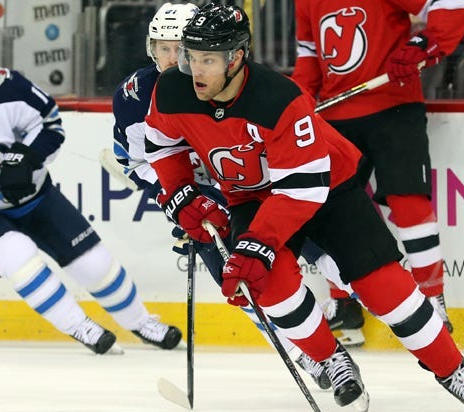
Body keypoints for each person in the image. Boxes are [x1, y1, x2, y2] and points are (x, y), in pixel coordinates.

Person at [145, 2, 464, 412]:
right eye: (190, 57)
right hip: (254, 198)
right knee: (269, 285)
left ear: (237, 57)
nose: (196, 70)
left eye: (207, 59)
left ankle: (454, 370)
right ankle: (331, 358)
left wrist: (257, 244)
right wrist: (181, 192)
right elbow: (162, 143)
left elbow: (301, 191)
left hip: (327, 189)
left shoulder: (279, 98)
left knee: (385, 287)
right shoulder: (172, 89)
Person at [0, 25, 181, 355]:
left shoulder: (5, 86)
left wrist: (27, 157)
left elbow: (50, 125)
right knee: (16, 255)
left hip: (35, 198)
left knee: (95, 264)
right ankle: (80, 326)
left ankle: (141, 322)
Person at [109, 1, 335, 389]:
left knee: (325, 245)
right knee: (238, 279)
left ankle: (379, 306)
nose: (172, 58)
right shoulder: (135, 95)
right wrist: (176, 201)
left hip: (252, 185)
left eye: (180, 48)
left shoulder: (231, 82)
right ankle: (306, 356)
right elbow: (137, 161)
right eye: (163, 47)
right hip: (199, 194)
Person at [292, 0, 464, 334]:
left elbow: (453, 6)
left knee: (408, 203)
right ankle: (345, 304)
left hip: (394, 106)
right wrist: (297, 101)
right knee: (335, 212)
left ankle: (433, 301)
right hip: (335, 117)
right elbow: (309, 58)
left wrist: (423, 44)